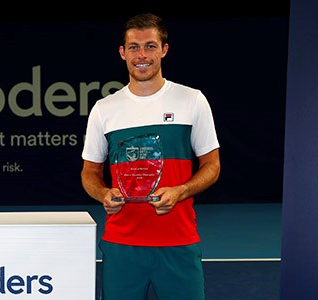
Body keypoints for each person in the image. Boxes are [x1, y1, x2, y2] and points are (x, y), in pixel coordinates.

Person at [81, 13, 221, 300]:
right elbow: (89, 172)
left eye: (150, 46)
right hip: (122, 245)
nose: (141, 55)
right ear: (122, 53)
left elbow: (212, 165)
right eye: (134, 47)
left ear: (164, 50)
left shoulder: (192, 100)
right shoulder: (104, 109)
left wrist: (181, 190)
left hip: (179, 242)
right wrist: (103, 193)